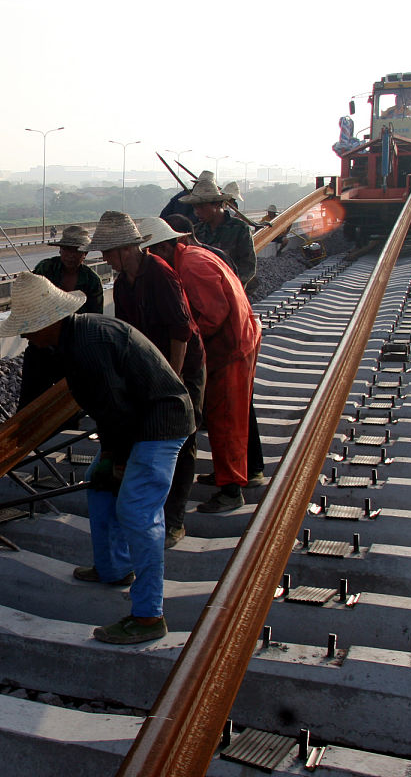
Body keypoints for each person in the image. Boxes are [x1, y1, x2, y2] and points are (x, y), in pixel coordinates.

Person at [0, 268, 193, 644]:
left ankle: (150, 616)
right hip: (135, 422)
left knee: (137, 510)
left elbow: (118, 409)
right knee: (101, 490)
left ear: (48, 321)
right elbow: (107, 408)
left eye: (28, 327)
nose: (25, 335)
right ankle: (114, 568)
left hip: (160, 422)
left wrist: (118, 459)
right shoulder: (73, 338)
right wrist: (109, 458)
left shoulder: (87, 343)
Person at [85, 212, 204, 548]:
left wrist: (174, 380)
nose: (106, 260)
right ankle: (151, 511)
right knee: (149, 431)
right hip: (151, 366)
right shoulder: (123, 285)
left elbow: (180, 332)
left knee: (183, 435)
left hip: (184, 365)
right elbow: (129, 335)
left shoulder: (160, 275)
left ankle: (175, 521)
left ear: (125, 249)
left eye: (108, 253)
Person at [144, 217, 262, 512]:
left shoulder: (192, 266)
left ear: (164, 246)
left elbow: (212, 316)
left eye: (151, 252)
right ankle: (230, 475)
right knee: (226, 414)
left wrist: (183, 344)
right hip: (234, 341)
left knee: (226, 419)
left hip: (230, 347)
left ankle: (231, 490)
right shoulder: (191, 257)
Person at [18, 224, 105, 408]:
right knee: (30, 402)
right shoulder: (45, 269)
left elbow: (94, 321)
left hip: (72, 354)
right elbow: (27, 302)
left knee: (68, 406)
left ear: (85, 254)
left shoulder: (91, 281)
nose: (71, 256)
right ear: (60, 250)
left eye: (77, 251)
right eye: (67, 250)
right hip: (40, 348)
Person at [185, 177, 257, 288]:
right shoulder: (196, 231)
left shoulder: (240, 229)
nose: (197, 212)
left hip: (231, 290)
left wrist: (229, 285)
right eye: (195, 208)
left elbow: (248, 266)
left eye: (202, 207)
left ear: (217, 204)